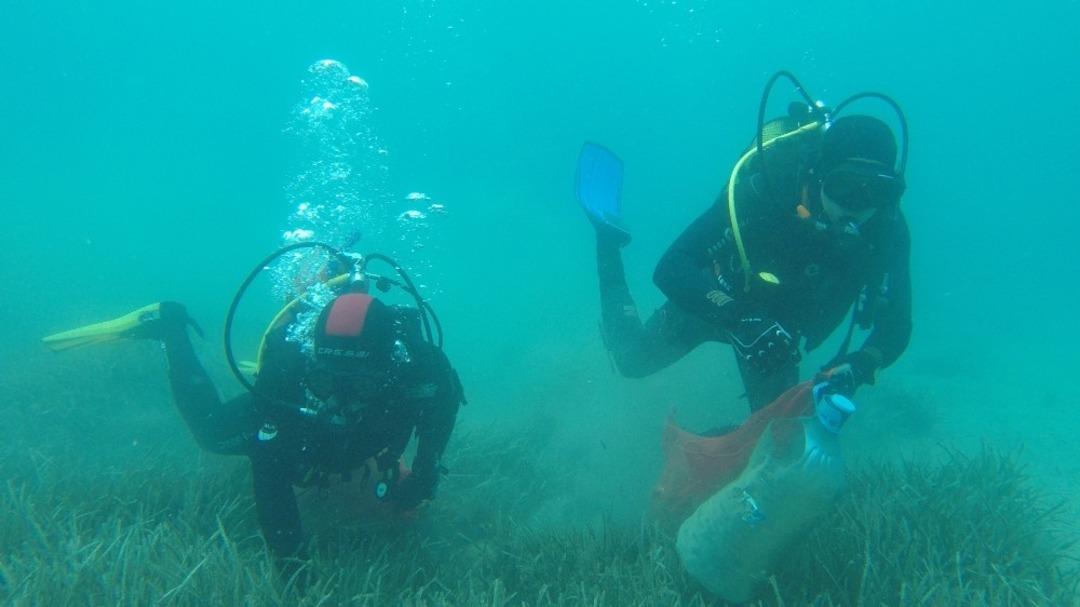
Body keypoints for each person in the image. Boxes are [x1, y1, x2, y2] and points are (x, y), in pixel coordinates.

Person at [43, 285, 464, 581]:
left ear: (387, 373)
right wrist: (295, 572)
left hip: (358, 415)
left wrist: (424, 476)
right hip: (294, 405)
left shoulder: (418, 371)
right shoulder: (290, 373)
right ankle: (169, 325)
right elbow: (271, 483)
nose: (342, 400)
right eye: (329, 384)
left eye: (361, 386)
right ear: (313, 368)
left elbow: (440, 414)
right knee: (211, 434)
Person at [579, 82, 911, 412]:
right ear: (820, 175)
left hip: (776, 338)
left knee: (778, 436)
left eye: (878, 193)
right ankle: (608, 241)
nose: (857, 208)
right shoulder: (765, 189)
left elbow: (898, 323)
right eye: (844, 188)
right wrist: (739, 318)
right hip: (717, 298)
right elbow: (672, 267)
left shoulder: (887, 229)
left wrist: (862, 365)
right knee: (631, 361)